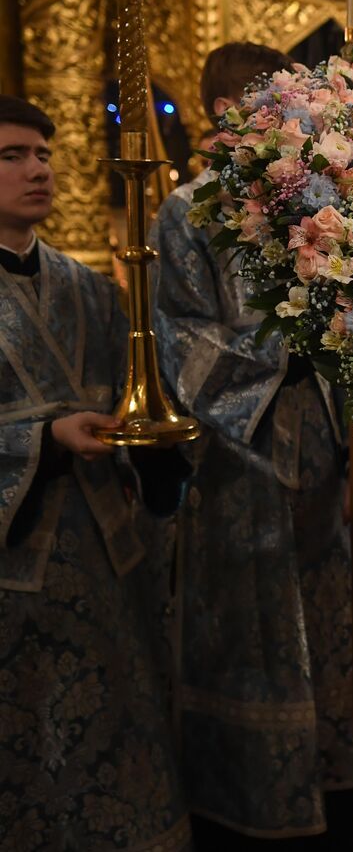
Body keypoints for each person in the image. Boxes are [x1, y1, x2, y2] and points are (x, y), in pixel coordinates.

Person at [149, 42, 353, 848]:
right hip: (238, 458)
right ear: (226, 110)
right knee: (257, 640)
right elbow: (177, 334)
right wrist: (277, 359)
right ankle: (255, 815)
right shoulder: (188, 211)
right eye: (268, 99)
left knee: (330, 647)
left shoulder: (305, 200)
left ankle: (334, 799)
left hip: (322, 447)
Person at [0, 96, 192, 849]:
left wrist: (155, 442)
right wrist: (43, 439)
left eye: (43, 154)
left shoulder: (91, 289)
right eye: (11, 156)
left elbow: (141, 407)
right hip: (15, 578)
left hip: (112, 566)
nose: (36, 169)